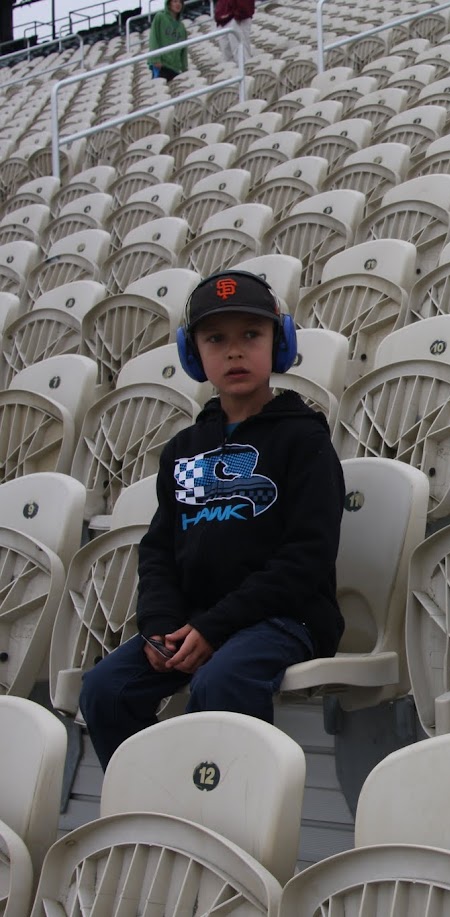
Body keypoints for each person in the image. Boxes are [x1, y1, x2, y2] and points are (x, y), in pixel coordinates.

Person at [79, 271, 345, 770]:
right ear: (192, 354)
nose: (235, 351)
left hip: (287, 618)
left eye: (251, 334)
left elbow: (307, 557)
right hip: (196, 620)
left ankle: (226, 803)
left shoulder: (303, 440)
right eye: (216, 339)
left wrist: (214, 627)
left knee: (222, 678)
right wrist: (159, 626)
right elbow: (159, 550)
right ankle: (153, 798)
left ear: (279, 344)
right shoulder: (184, 449)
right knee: (106, 688)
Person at [147, 0, 187, 82]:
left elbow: (184, 49)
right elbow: (154, 38)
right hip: (161, 65)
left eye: (180, 2)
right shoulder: (160, 17)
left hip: (175, 68)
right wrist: (155, 59)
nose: (178, 4)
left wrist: (184, 68)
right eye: (175, 1)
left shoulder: (182, 27)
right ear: (169, 4)